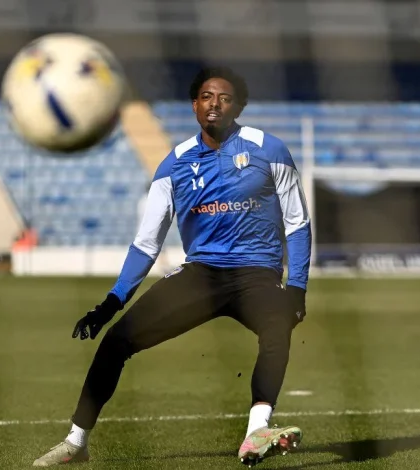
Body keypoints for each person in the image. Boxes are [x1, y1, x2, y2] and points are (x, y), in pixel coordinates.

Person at [33, 66, 312, 467]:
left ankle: (257, 431)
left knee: (277, 328)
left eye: (225, 98)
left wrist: (297, 288)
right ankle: (76, 443)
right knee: (116, 342)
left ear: (239, 106)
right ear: (194, 104)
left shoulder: (270, 150)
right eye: (206, 97)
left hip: (258, 274)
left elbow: (297, 223)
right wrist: (112, 302)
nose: (215, 105)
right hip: (201, 274)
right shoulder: (174, 164)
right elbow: (147, 243)